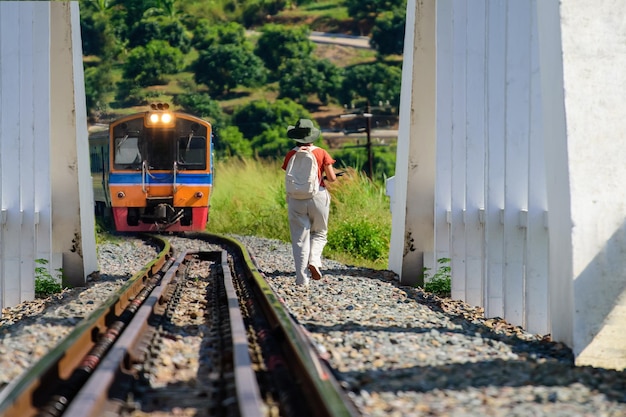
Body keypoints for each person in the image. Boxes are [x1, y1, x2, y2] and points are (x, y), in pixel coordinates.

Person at [282, 119, 337, 287]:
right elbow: (332, 178)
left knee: (300, 239)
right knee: (320, 233)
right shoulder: (321, 153)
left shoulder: (291, 154)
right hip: (318, 196)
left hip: (296, 199)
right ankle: (314, 260)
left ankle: (301, 279)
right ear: (312, 136)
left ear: (296, 137)